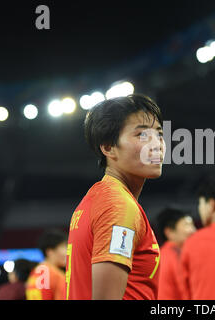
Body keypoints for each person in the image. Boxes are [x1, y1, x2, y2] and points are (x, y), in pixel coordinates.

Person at [66, 94, 165, 300]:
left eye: (159, 134)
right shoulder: (118, 205)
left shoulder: (97, 197)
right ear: (108, 147)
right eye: (142, 136)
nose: (156, 144)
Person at [157, 208, 196, 299]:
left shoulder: (164, 254)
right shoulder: (172, 256)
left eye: (192, 225)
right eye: (187, 225)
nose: (193, 230)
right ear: (169, 232)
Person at [26, 229, 67, 300]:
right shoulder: (56, 276)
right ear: (50, 252)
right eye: (64, 247)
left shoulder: (35, 272)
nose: (67, 252)